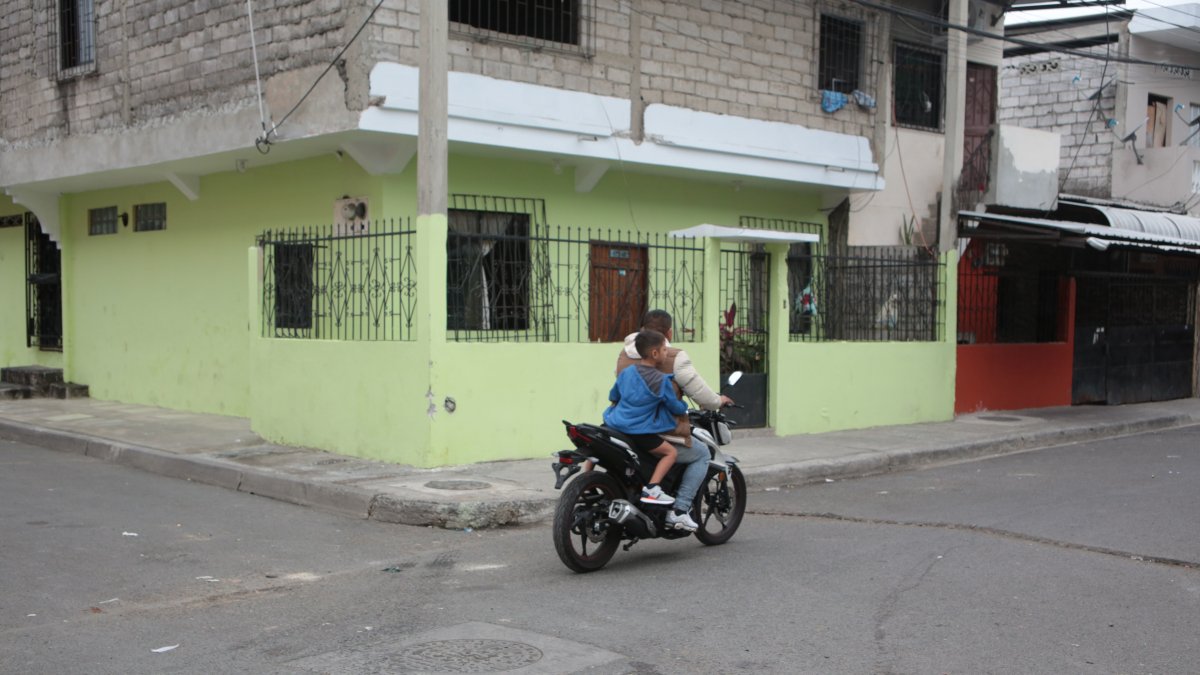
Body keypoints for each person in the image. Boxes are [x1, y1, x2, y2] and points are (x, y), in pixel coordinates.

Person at [615, 309, 734, 532]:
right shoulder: (673, 357)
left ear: (642, 329)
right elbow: (699, 393)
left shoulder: (624, 353)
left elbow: (617, 390)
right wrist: (718, 401)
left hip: (620, 423)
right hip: (656, 429)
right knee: (701, 454)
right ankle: (679, 511)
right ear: (669, 332)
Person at [603, 330, 688, 506]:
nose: (667, 353)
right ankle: (653, 489)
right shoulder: (661, 380)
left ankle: (587, 475)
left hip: (615, 423)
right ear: (655, 353)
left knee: (598, 446)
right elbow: (674, 406)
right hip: (639, 431)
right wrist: (684, 406)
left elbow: (614, 395)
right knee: (670, 453)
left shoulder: (626, 372)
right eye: (665, 350)